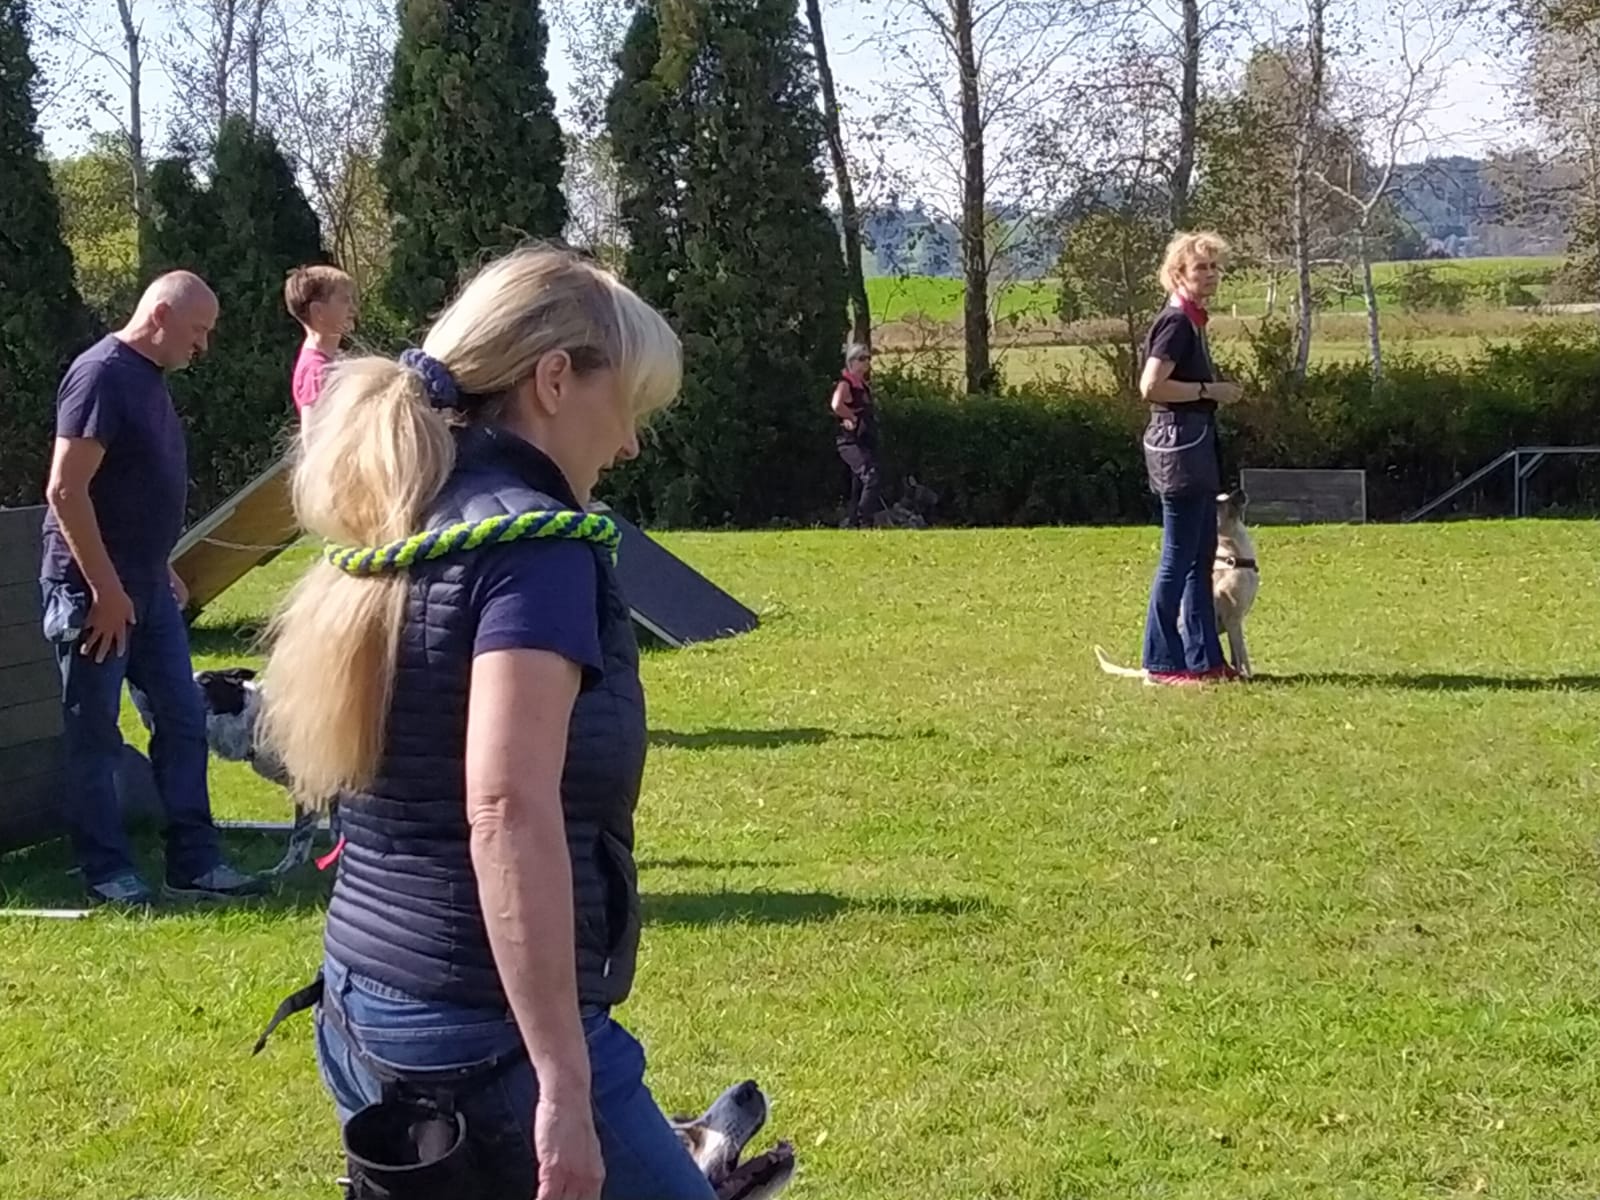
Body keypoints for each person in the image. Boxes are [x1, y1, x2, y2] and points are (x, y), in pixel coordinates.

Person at [254, 245, 714, 1200]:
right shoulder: (534, 550)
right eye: (628, 405)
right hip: (481, 1036)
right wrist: (562, 1083)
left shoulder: (402, 522)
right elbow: (505, 809)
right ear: (555, 379)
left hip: (361, 1000)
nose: (629, 443)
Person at [39, 271, 265, 904]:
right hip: (92, 594)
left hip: (145, 586)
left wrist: (157, 564)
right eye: (198, 330)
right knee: (96, 735)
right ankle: (107, 870)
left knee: (183, 717)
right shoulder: (101, 375)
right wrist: (106, 591)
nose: (203, 345)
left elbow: (129, 487)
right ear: (160, 316)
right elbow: (65, 490)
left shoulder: (148, 379)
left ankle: (194, 862)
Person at [1136, 230, 1242, 686]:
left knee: (1201, 556)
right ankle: (1161, 662)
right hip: (1178, 447)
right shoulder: (1176, 323)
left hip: (1194, 444)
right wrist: (1209, 390)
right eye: (1202, 267)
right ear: (1178, 274)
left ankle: (1204, 661)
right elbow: (1151, 386)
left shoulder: (1193, 322)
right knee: (1177, 559)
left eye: (1215, 267)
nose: (1212, 275)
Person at [284, 263, 358, 420]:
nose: (353, 309)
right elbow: (313, 432)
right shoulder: (316, 372)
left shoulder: (332, 360)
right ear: (318, 311)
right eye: (345, 300)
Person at [831, 342, 883, 528]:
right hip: (850, 441)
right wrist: (851, 417)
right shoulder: (846, 384)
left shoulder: (862, 386)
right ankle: (864, 519)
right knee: (870, 476)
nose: (866, 362)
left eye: (868, 358)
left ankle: (854, 522)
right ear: (851, 361)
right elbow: (836, 405)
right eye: (862, 358)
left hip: (864, 440)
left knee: (858, 483)